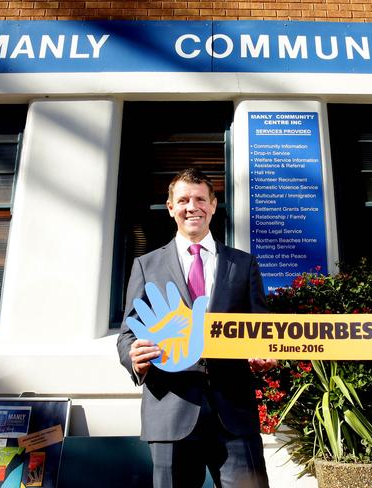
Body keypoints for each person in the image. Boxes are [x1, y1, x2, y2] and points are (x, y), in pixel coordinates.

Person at [117, 168, 275, 488]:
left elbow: (261, 330)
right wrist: (134, 357)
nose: (193, 207)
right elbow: (128, 334)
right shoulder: (146, 266)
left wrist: (264, 355)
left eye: (201, 199)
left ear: (214, 206)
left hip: (233, 414)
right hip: (169, 410)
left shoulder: (244, 265)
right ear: (170, 207)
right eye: (184, 200)